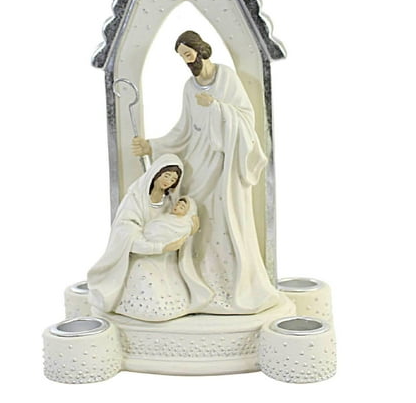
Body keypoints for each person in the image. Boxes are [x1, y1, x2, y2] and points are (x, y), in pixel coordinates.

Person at [132, 31, 279, 314]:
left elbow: (245, 118)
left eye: (188, 54)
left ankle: (229, 283)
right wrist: (153, 145)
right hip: (199, 162)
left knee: (224, 218)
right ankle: (199, 282)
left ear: (201, 51)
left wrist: (216, 108)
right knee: (196, 217)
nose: (187, 61)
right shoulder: (189, 87)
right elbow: (184, 129)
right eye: (182, 57)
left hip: (224, 165)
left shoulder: (226, 78)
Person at [87, 154, 212, 321]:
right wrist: (160, 247)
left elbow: (180, 219)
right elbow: (127, 236)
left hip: (166, 258)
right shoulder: (135, 200)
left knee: (175, 284)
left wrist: (191, 222)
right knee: (149, 285)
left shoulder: (170, 201)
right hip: (141, 256)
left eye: (173, 179)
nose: (168, 181)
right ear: (156, 173)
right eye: (166, 175)